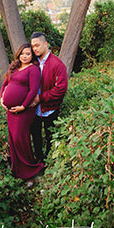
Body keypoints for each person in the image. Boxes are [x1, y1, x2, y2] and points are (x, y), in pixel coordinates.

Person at [0, 43, 44, 181]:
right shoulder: (15, 66)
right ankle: (18, 169)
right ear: (18, 54)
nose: (24, 56)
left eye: (28, 54)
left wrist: (23, 106)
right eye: (22, 53)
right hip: (11, 111)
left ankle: (30, 169)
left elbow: (33, 90)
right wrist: (2, 98)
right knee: (13, 139)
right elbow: (5, 83)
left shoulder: (33, 69)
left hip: (24, 111)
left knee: (20, 138)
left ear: (32, 56)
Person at [29, 32, 68, 163]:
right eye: (33, 46)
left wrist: (40, 98)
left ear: (45, 44)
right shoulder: (32, 62)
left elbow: (61, 89)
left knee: (50, 136)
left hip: (50, 108)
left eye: (37, 45)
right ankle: (39, 161)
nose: (35, 48)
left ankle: (49, 163)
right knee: (35, 136)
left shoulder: (57, 64)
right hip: (33, 108)